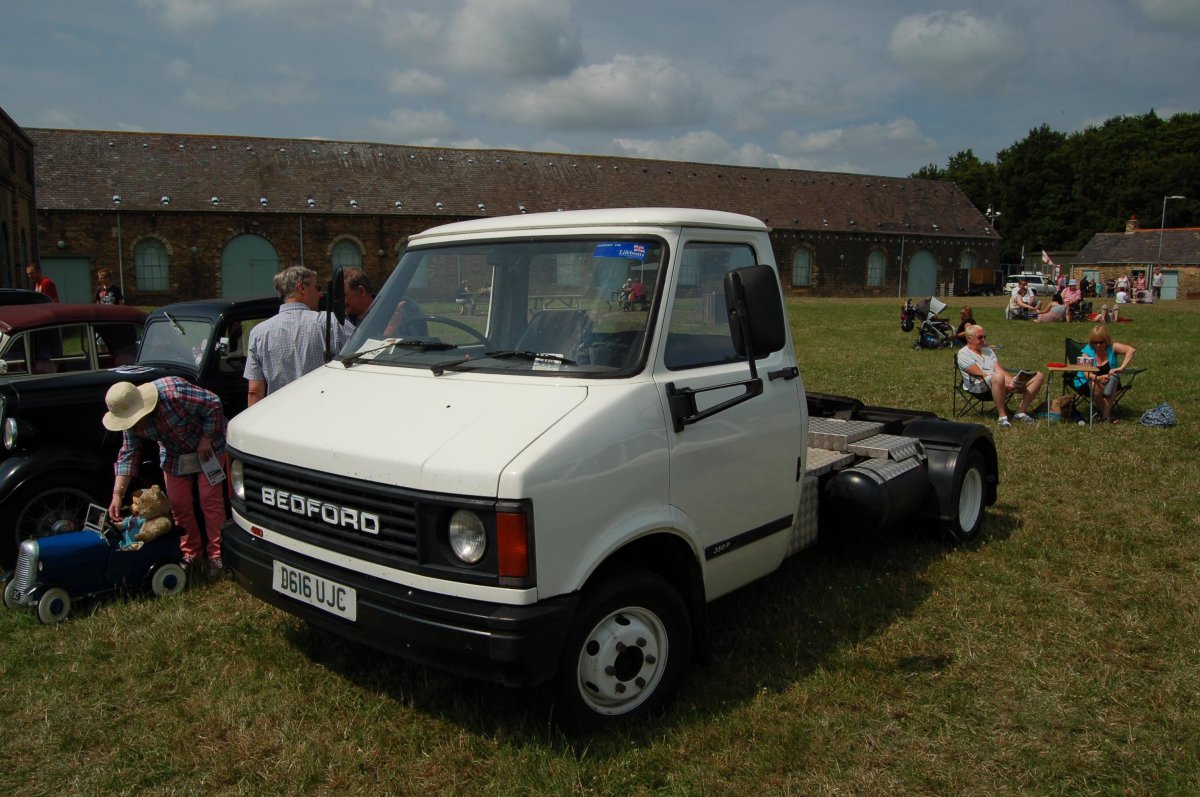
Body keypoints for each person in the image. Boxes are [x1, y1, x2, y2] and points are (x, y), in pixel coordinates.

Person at [104, 377, 228, 577]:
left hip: (209, 447)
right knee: (179, 504)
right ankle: (191, 553)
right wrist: (117, 494)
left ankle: (217, 554)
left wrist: (207, 438)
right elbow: (129, 453)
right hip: (174, 454)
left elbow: (213, 404)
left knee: (209, 500)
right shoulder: (130, 424)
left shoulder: (174, 393)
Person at [244, 266, 352, 406]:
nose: (321, 294)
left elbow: (254, 391)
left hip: (278, 417)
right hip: (324, 412)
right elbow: (367, 351)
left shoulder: (258, 333)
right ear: (301, 288)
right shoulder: (332, 322)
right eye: (317, 287)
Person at [956, 325, 1044, 428]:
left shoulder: (987, 350)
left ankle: (1020, 413)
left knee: (1038, 376)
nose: (983, 340)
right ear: (969, 338)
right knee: (998, 377)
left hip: (998, 382)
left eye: (985, 337)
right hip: (978, 387)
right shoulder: (963, 354)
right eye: (980, 337)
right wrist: (1002, 383)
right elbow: (981, 375)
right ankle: (1002, 417)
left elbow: (1000, 370)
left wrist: (1012, 382)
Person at [1073, 325, 1136, 423]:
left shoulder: (1112, 347)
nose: (1098, 345)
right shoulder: (1086, 353)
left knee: (1113, 380)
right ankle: (1108, 414)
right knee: (1094, 383)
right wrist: (1099, 378)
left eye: (1101, 342)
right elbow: (1087, 375)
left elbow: (1131, 350)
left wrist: (1121, 368)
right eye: (1095, 342)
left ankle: (1102, 413)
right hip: (1087, 382)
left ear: (1106, 340)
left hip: (1110, 382)